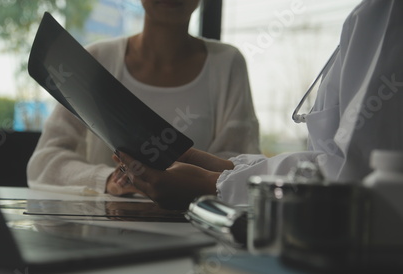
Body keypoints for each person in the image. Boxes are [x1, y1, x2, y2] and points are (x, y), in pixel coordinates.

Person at [117, 0, 403, 209]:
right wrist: (225, 167)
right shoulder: (372, 15)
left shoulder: (386, 15)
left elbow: (353, 177)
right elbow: (327, 163)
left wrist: (214, 183)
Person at [27, 0, 260, 196]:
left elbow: (238, 165)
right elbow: (44, 162)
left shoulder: (227, 63)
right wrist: (107, 179)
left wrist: (191, 182)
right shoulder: (97, 59)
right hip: (105, 232)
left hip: (193, 230)